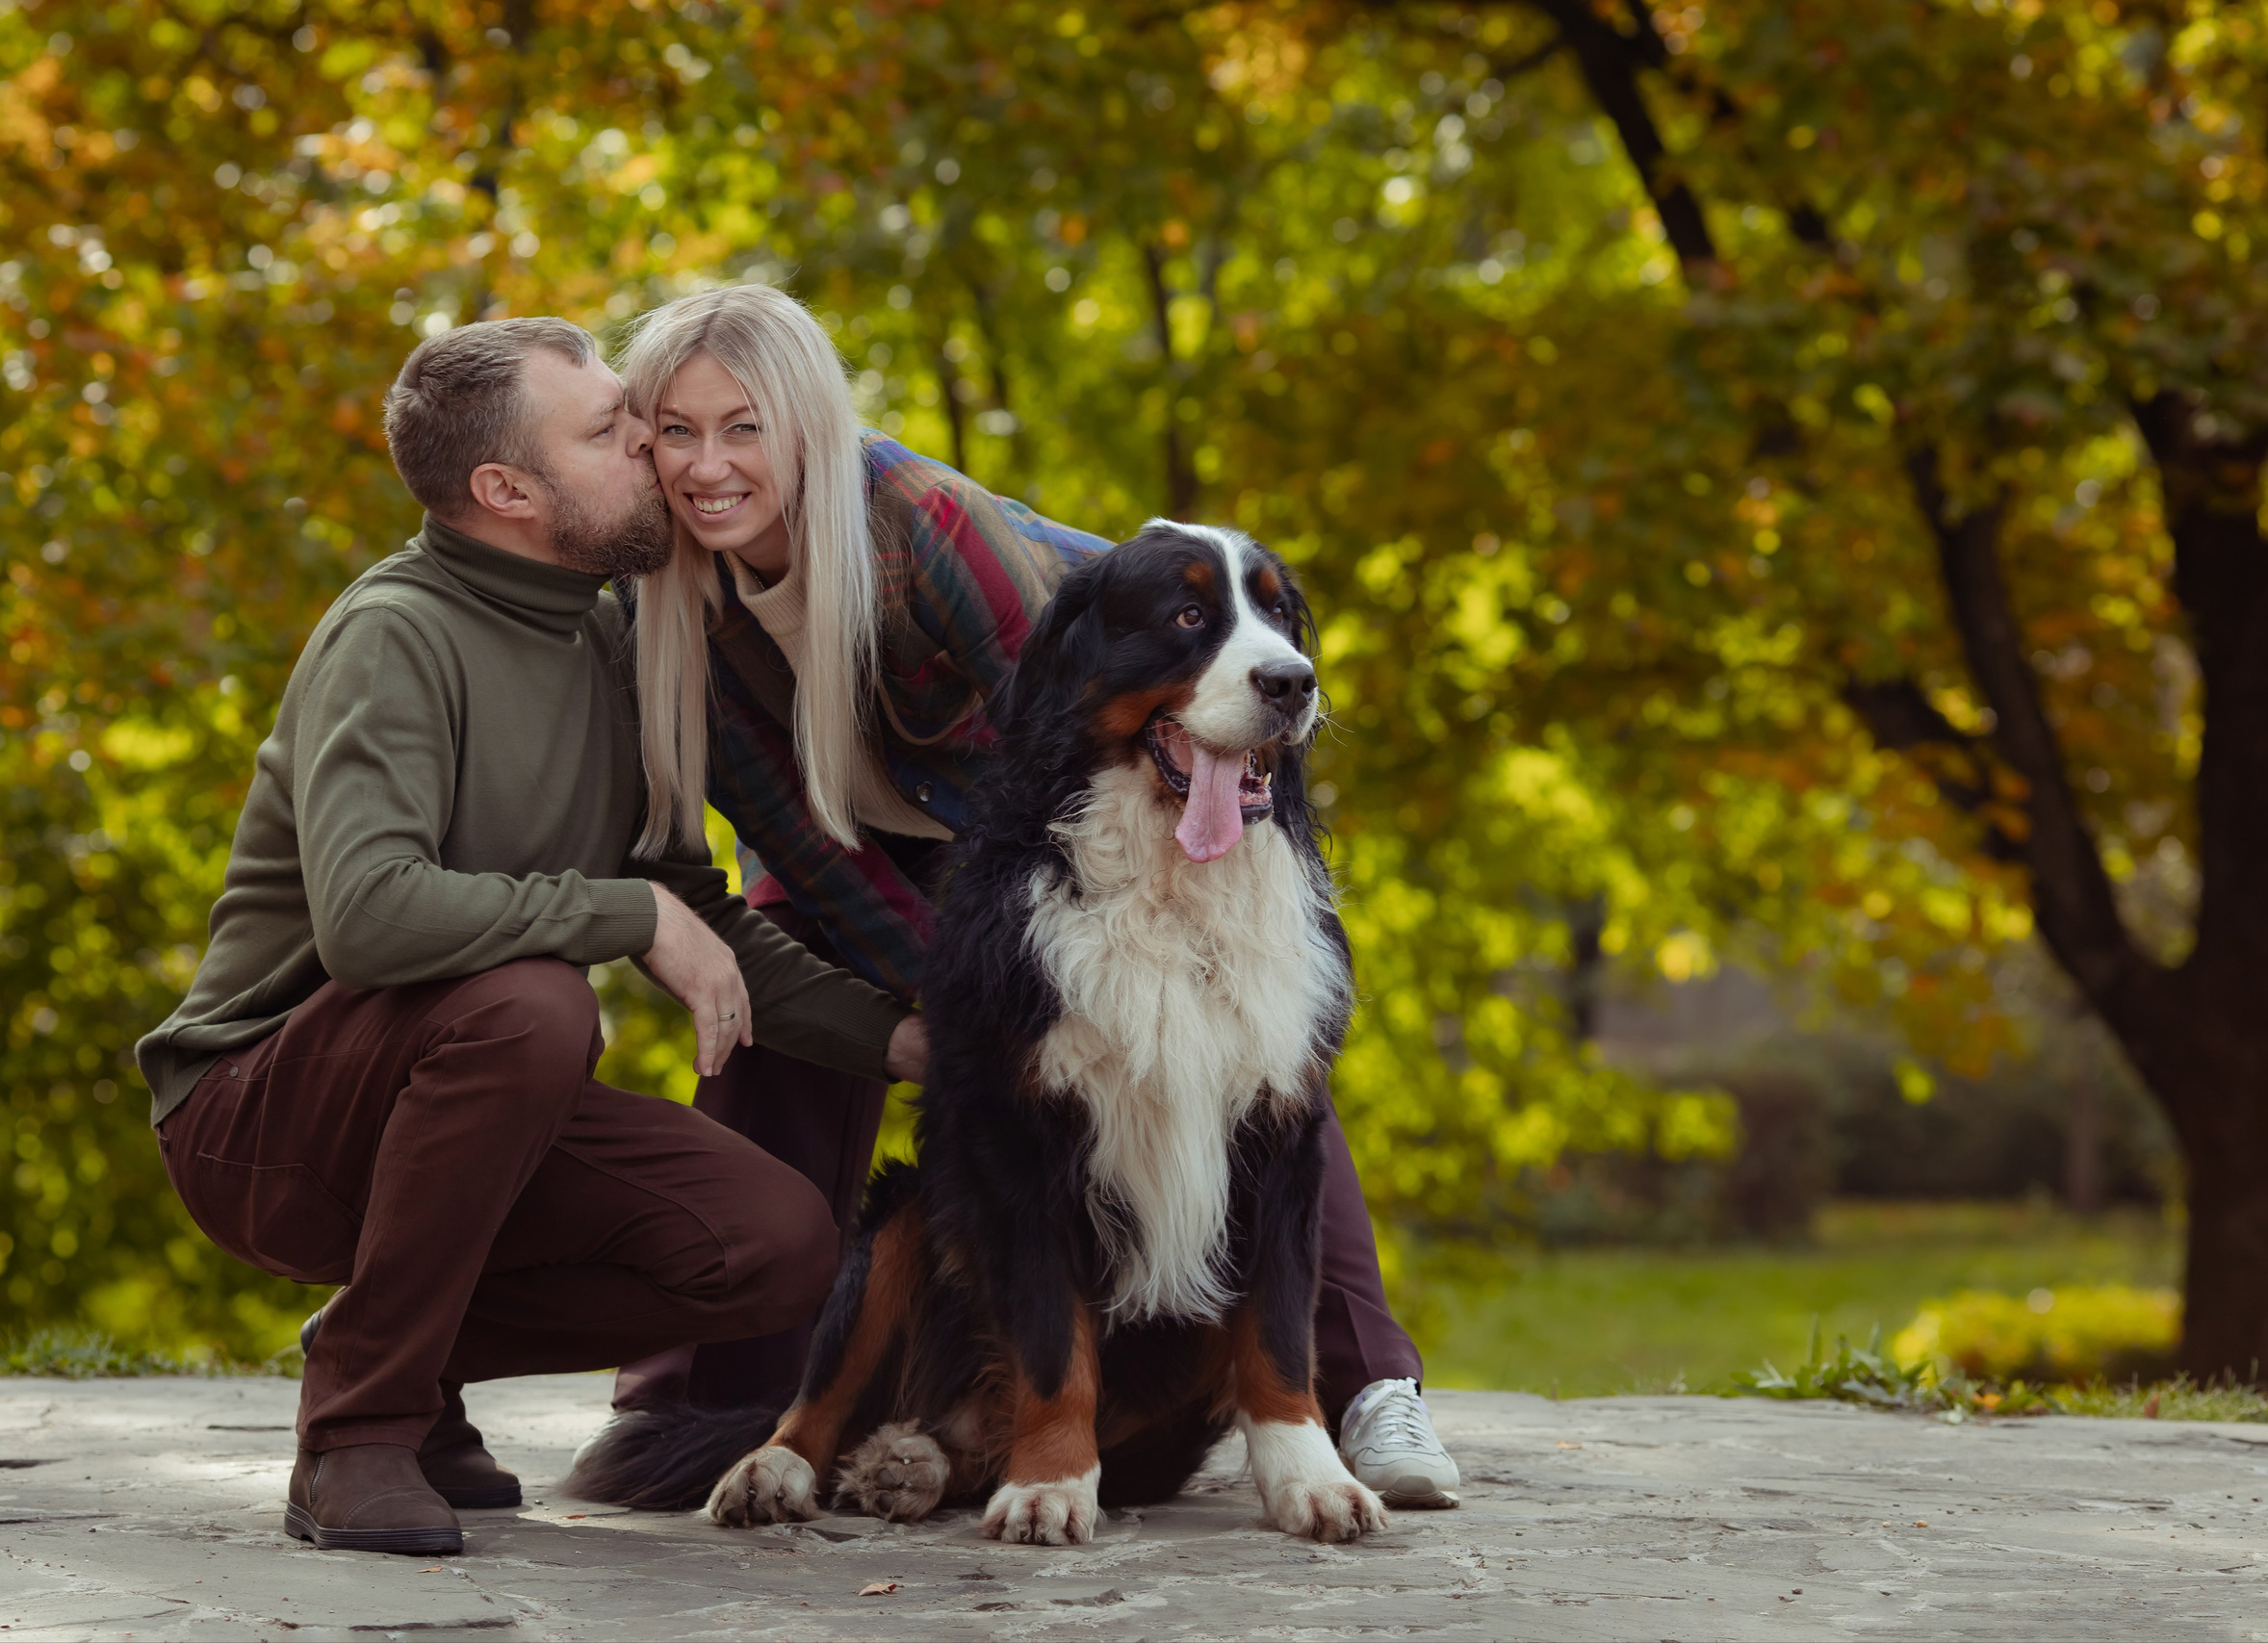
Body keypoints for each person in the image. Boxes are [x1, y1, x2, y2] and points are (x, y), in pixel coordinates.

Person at [601, 283, 1461, 1508]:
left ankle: (1372, 1387)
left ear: (806, 427)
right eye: (675, 432)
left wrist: (1050, 978)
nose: (707, 465)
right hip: (867, 850)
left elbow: (1057, 731)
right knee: (770, 979)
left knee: (1244, 1040)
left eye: (742, 426)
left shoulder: (923, 523)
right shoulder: (660, 600)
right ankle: (727, 1398)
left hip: (1084, 805)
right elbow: (796, 837)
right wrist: (962, 1025)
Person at [134, 316, 928, 1556]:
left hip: (473, 1104)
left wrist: (905, 1043)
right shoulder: (395, 634)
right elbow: (372, 918)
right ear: (507, 490)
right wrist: (628, 914)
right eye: (614, 430)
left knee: (772, 1248)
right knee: (536, 999)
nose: (657, 453)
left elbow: (701, 918)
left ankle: (399, 1354)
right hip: (258, 1116)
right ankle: (357, 1434)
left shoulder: (610, 642)